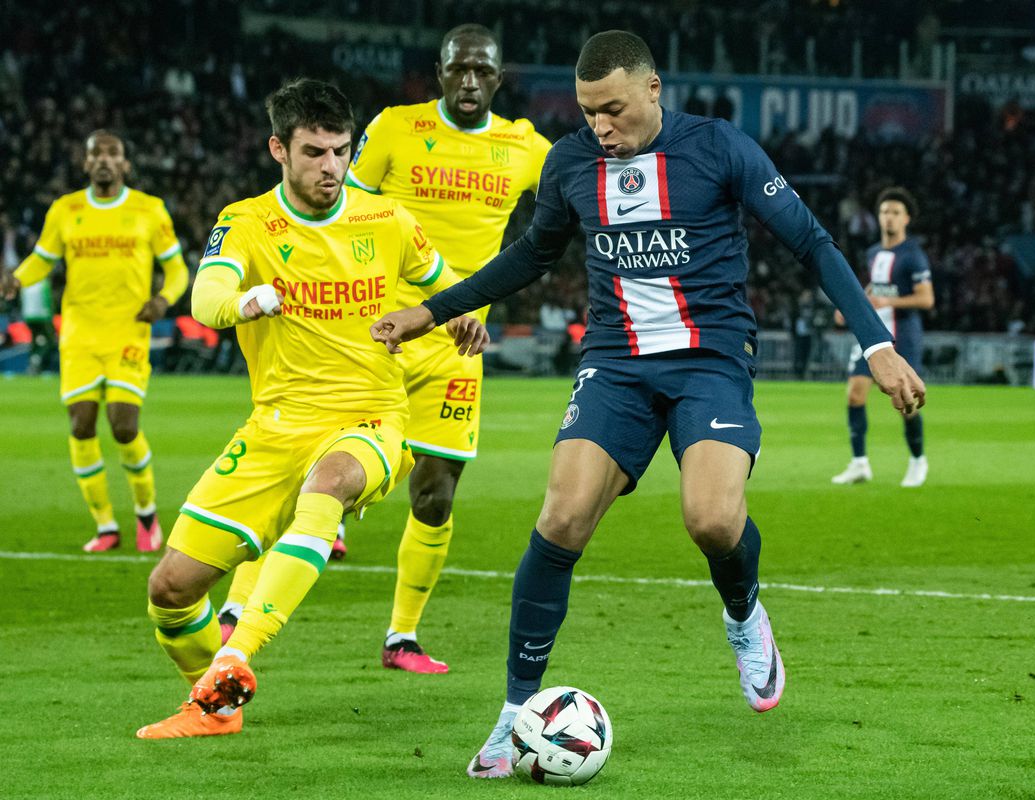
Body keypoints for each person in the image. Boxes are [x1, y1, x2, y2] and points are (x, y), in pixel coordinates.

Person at [369, 31, 925, 779]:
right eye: (589, 112)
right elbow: (531, 256)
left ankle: (744, 615)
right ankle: (513, 715)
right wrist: (429, 312)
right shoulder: (571, 162)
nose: (601, 127)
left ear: (654, 89)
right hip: (616, 365)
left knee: (713, 519)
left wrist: (877, 344)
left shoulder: (719, 148)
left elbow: (812, 242)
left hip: (711, 360)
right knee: (560, 517)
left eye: (614, 110)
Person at [133, 78, 488, 740]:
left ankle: (241, 652)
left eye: (341, 151)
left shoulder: (386, 220)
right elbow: (205, 298)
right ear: (279, 149)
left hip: (370, 419)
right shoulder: (245, 222)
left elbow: (449, 288)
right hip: (273, 427)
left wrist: (460, 318)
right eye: (315, 152)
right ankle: (214, 705)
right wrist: (245, 302)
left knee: (328, 483)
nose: (332, 167)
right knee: (171, 589)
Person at [215, 24, 551, 675]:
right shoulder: (396, 128)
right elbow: (337, 203)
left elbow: (569, 202)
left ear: (499, 78)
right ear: (441, 71)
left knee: (435, 496)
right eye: (460, 69)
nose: (471, 81)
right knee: (306, 472)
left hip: (457, 344)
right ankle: (237, 605)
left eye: (484, 70)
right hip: (377, 333)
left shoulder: (524, 146)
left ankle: (401, 638)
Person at [0, 131, 189, 552]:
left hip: (128, 331)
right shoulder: (65, 210)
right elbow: (42, 260)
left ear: (125, 163)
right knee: (81, 424)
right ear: (86, 164)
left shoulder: (148, 210)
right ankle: (105, 526)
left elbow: (177, 269)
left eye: (113, 153)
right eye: (96, 154)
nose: (104, 160)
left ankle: (146, 516)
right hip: (80, 334)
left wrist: (162, 300)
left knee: (124, 426)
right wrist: (16, 279)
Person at [830, 187, 934, 487]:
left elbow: (926, 299)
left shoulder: (913, 256)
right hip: (874, 337)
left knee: (906, 402)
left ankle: (917, 461)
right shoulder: (874, 253)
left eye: (895, 213)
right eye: (885, 211)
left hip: (904, 336)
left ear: (907, 219)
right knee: (854, 395)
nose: (889, 217)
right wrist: (850, 309)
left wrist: (889, 303)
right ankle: (859, 463)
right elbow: (874, 290)